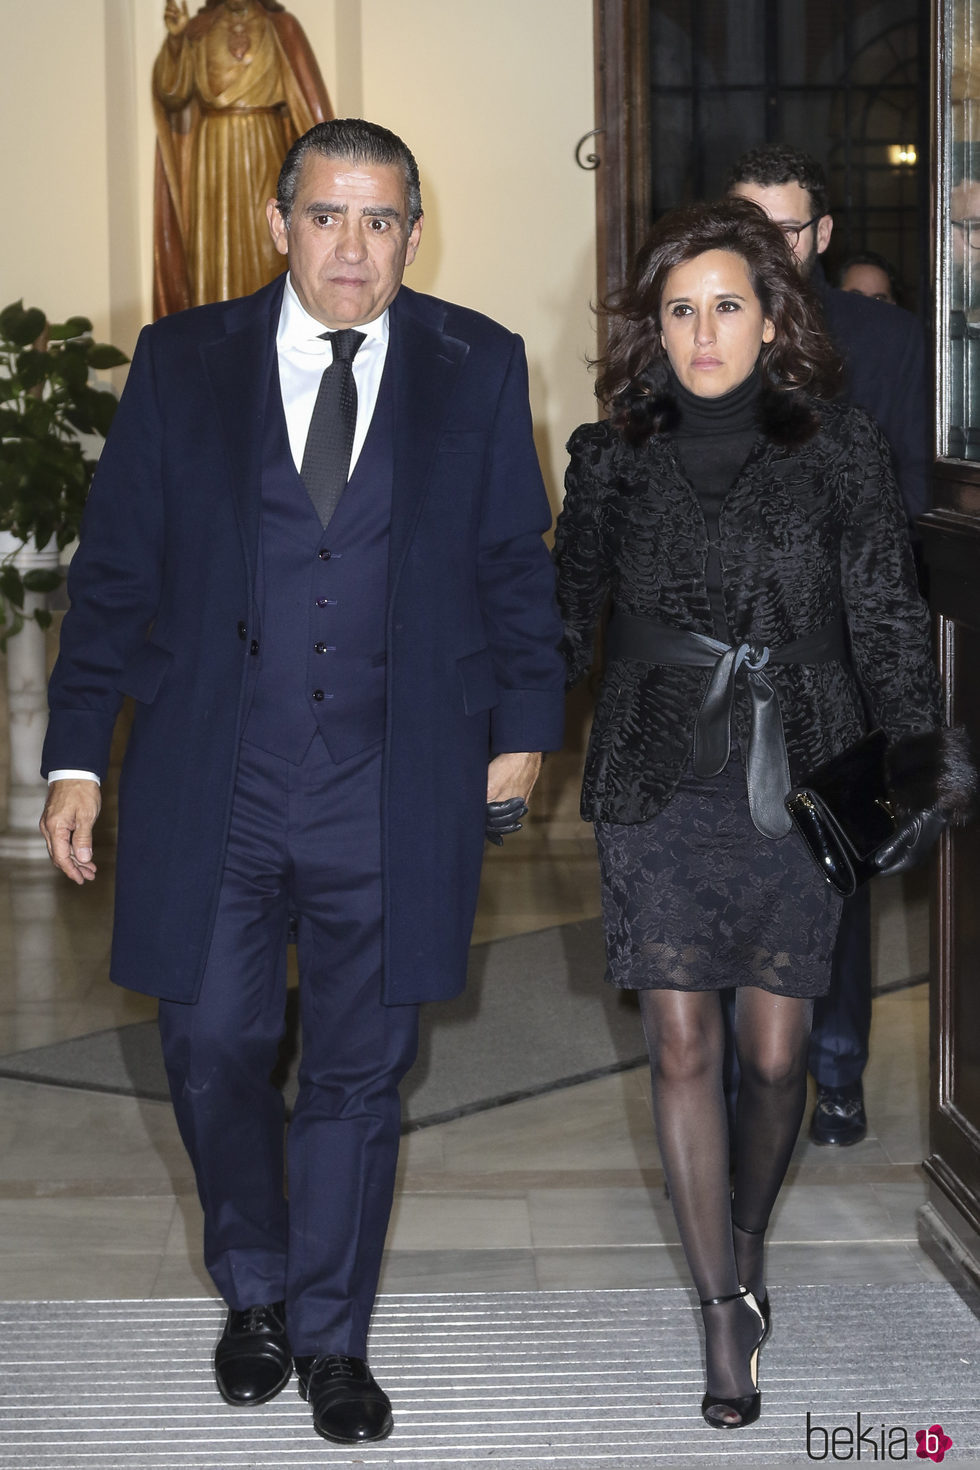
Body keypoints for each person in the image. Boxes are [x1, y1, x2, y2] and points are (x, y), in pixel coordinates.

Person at [39, 118, 565, 1447]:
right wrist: (73, 755)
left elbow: (518, 558)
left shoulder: (479, 362)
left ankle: (331, 1334)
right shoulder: (180, 362)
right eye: (329, 215)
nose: (354, 244)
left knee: (359, 1066)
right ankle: (253, 1286)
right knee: (211, 1040)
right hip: (217, 777)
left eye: (382, 219)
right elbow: (111, 574)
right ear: (280, 224)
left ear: (413, 232)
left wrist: (523, 723)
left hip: (397, 780)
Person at [552, 198, 972, 1429]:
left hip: (796, 771)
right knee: (680, 1042)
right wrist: (487, 725)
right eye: (677, 310)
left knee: (773, 1058)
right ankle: (721, 1304)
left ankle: (741, 1228)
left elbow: (887, 615)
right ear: (653, 328)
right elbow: (563, 620)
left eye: (725, 305)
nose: (700, 331)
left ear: (770, 316)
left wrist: (917, 762)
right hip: (652, 770)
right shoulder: (610, 454)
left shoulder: (836, 448)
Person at [725, 143, 930, 1147]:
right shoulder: (690, 326)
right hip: (711, 664)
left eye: (786, 229)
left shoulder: (885, 344)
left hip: (839, 660)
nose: (768, 248)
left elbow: (908, 508)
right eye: (747, 227)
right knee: (723, 872)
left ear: (821, 236)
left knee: (826, 870)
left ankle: (835, 1066)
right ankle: (735, 1070)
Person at [152, 0, 332, 316]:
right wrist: (177, 41)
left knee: (271, 241)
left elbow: (308, 100)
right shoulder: (198, 29)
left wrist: (330, 165)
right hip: (213, 153)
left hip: (266, 143)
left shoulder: (281, 27)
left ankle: (270, 327)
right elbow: (173, 94)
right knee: (212, 253)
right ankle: (214, 335)